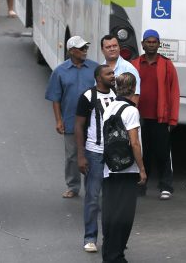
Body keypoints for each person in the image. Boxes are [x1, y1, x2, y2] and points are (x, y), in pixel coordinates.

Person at [45, 36, 101, 199]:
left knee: (93, 154)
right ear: (71, 51)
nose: (85, 51)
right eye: (81, 48)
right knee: (72, 155)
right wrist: (58, 120)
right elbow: (55, 98)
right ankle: (72, 186)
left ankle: (92, 186)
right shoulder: (60, 71)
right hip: (71, 120)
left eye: (86, 48)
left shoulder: (95, 68)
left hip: (93, 120)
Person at [101, 72, 146, 263]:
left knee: (110, 212)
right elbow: (134, 143)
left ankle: (108, 253)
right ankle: (116, 256)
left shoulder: (110, 107)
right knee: (124, 215)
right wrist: (142, 169)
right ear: (134, 88)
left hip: (109, 167)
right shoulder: (131, 111)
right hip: (127, 169)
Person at [131, 29, 179, 200]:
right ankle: (140, 186)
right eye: (148, 42)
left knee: (163, 153)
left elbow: (174, 92)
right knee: (141, 153)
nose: (151, 45)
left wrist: (172, 118)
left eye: (154, 42)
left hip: (160, 118)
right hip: (138, 118)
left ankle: (165, 186)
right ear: (142, 44)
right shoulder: (134, 64)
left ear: (159, 44)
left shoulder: (166, 65)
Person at [75, 64, 117, 253]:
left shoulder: (117, 94)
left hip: (114, 154)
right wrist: (81, 155)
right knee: (93, 197)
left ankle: (110, 237)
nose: (113, 76)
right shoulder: (87, 96)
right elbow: (78, 126)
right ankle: (90, 238)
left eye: (113, 73)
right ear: (99, 78)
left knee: (112, 198)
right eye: (108, 74)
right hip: (94, 153)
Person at [100, 35, 140, 100]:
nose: (112, 49)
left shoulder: (129, 68)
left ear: (119, 47)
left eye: (115, 46)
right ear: (102, 50)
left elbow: (135, 96)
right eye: (108, 47)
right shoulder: (100, 69)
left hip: (123, 106)